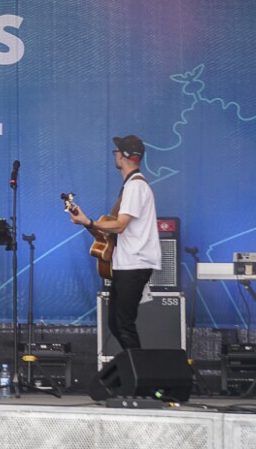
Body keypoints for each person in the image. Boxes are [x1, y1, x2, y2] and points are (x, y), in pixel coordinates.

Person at [68, 135, 161, 350]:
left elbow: (120, 226)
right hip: (127, 263)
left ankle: (140, 378)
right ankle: (132, 373)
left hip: (135, 264)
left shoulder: (136, 187)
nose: (115, 155)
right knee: (116, 323)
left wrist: (89, 220)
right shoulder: (131, 186)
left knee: (124, 324)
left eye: (117, 151)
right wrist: (85, 221)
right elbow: (113, 230)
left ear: (125, 156)